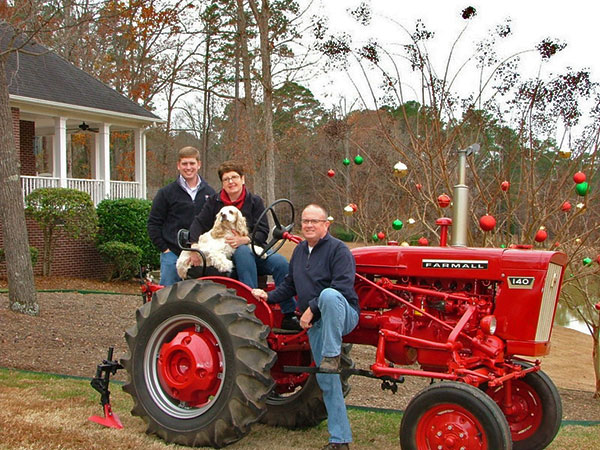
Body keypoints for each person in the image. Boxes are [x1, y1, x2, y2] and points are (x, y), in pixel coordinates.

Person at [251, 204, 360, 450]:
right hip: (319, 323)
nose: (309, 225)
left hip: (342, 314)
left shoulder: (338, 250)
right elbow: (290, 284)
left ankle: (332, 355)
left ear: (326, 225)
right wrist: (269, 297)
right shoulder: (300, 251)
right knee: (327, 380)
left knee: (330, 296)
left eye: (314, 221)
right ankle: (340, 439)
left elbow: (343, 287)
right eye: (305, 221)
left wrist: (311, 307)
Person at [188, 160, 300, 331]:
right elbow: (198, 223)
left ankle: (289, 313)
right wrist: (194, 246)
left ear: (243, 179)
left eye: (234, 177)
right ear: (223, 183)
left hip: (252, 249)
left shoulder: (254, 201)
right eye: (226, 179)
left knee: (281, 263)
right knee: (241, 253)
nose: (231, 182)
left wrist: (245, 239)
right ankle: (252, 309)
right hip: (224, 253)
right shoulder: (214, 202)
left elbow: (263, 231)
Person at [147, 146, 215, 286]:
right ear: (178, 165)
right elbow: (153, 223)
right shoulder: (166, 193)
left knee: (200, 297)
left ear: (199, 164)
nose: (188, 167)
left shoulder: (210, 193)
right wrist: (165, 250)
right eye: (184, 163)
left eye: (192, 163)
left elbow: (213, 224)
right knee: (167, 299)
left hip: (201, 255)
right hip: (173, 254)